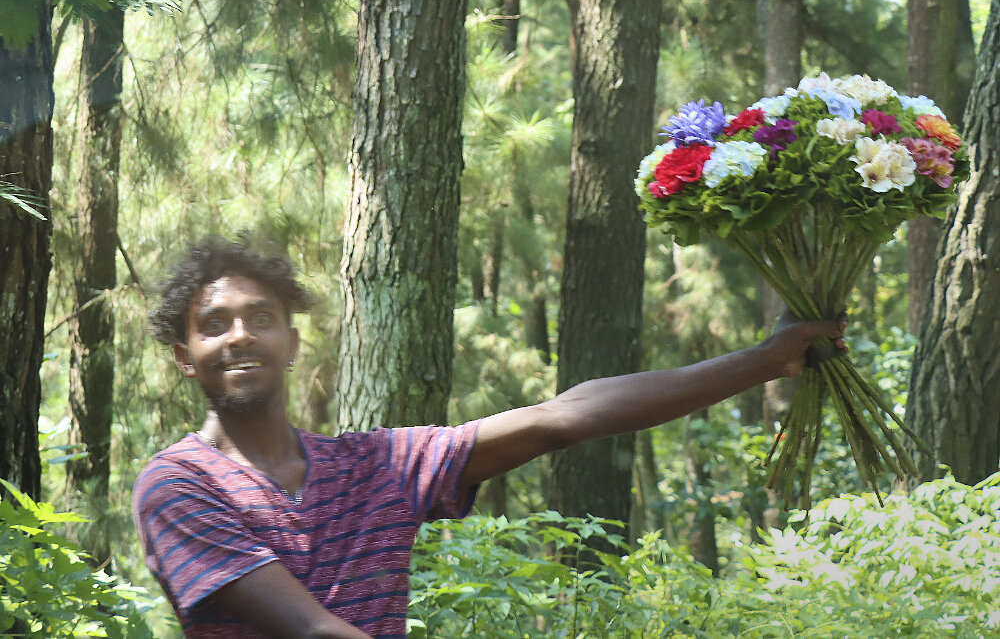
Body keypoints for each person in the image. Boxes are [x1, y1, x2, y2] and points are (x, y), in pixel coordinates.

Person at [132, 235, 845, 639]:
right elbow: (315, 632)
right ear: (184, 353)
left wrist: (764, 360)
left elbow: (561, 415)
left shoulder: (373, 464)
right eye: (214, 323)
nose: (239, 334)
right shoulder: (178, 483)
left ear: (292, 341)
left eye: (259, 316)